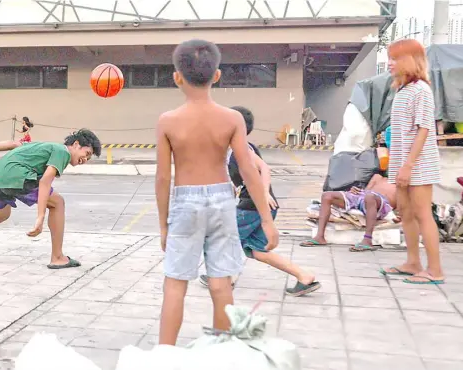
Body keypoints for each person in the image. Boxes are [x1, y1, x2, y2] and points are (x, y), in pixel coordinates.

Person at [156, 39, 279, 346]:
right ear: (217, 76)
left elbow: (162, 177)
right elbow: (248, 170)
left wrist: (162, 224)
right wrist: (266, 218)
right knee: (221, 282)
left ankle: (164, 357)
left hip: (185, 203)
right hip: (223, 200)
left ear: (177, 77)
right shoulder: (232, 118)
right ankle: (221, 354)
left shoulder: (168, 121)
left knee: (175, 283)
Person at [199, 106, 321, 296]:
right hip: (256, 206)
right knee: (258, 251)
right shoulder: (237, 148)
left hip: (253, 207)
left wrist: (264, 193)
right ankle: (304, 276)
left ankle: (225, 278)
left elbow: (264, 168)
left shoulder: (242, 149)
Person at [0, 129, 101, 269]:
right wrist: (40, 218)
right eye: (86, 153)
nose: (85, 159)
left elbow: (13, 144)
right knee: (57, 203)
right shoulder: (63, 152)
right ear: (75, 144)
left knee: (1, 214)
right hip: (16, 174)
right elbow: (45, 181)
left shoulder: (43, 146)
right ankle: (58, 257)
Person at [380, 39, 444, 284]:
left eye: (395, 58)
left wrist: (408, 165)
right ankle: (413, 262)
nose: (390, 63)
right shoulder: (403, 90)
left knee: (422, 214)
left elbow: (424, 129)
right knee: (405, 212)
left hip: (418, 164)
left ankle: (435, 270)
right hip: (401, 162)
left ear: (409, 61)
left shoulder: (421, 90)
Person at [301, 174, 398, 252]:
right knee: (327, 195)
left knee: (370, 197)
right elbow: (366, 191)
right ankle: (319, 237)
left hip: (379, 203)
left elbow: (403, 205)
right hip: (361, 198)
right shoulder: (377, 177)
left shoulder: (401, 183)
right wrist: (355, 190)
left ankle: (367, 240)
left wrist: (398, 216)